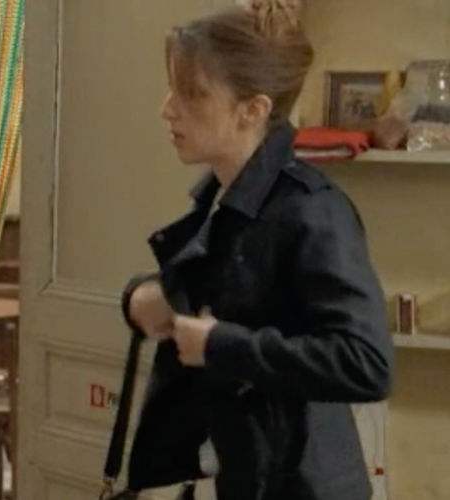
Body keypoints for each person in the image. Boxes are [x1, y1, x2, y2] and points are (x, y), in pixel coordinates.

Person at [120, 2, 393, 499]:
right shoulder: (225, 197)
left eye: (191, 93)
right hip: (244, 476)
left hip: (302, 486)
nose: (168, 108)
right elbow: (227, 292)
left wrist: (220, 346)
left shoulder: (313, 209)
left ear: (254, 109)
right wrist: (142, 297)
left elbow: (365, 363)